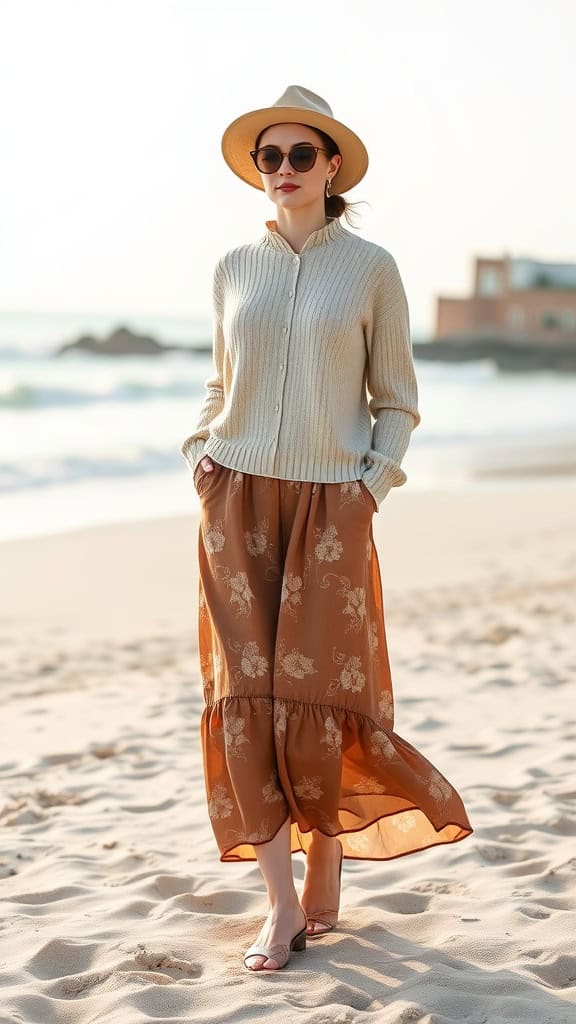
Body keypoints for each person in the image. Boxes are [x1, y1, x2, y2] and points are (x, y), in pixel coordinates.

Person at [180, 85, 474, 972]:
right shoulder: (234, 266)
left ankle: (329, 850)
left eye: (299, 155)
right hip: (234, 499)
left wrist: (370, 487)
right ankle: (280, 905)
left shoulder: (372, 268)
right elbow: (218, 379)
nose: (282, 171)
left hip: (330, 507)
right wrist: (199, 452)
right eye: (268, 158)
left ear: (332, 166)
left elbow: (397, 400)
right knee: (246, 694)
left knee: (319, 690)